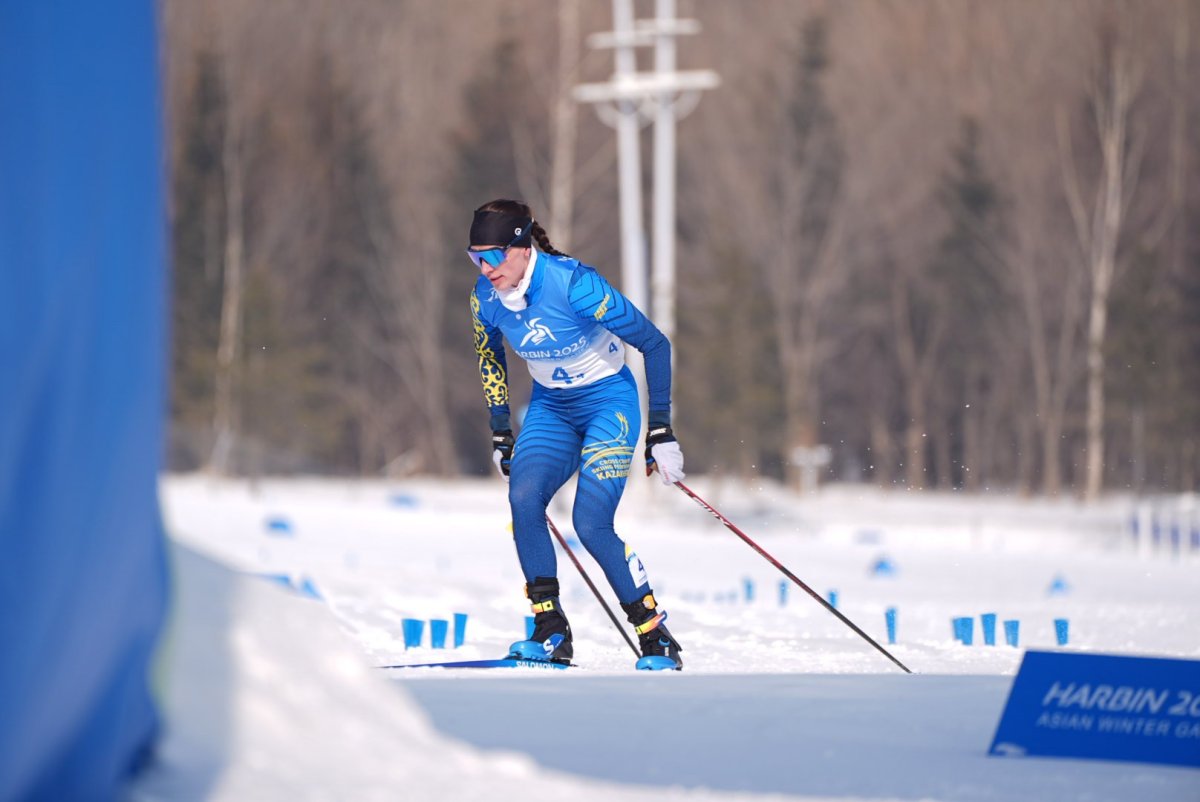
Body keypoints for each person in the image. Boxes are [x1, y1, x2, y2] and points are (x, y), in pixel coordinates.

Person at [468, 199, 686, 670]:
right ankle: (550, 631)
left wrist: (662, 429)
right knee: (524, 499)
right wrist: (501, 432)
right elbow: (490, 359)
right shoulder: (484, 300)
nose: (485, 269)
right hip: (552, 409)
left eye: (493, 256)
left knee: (590, 524)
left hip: (609, 403)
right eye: (475, 258)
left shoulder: (575, 285)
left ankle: (654, 635)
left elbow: (653, 343)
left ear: (522, 247)